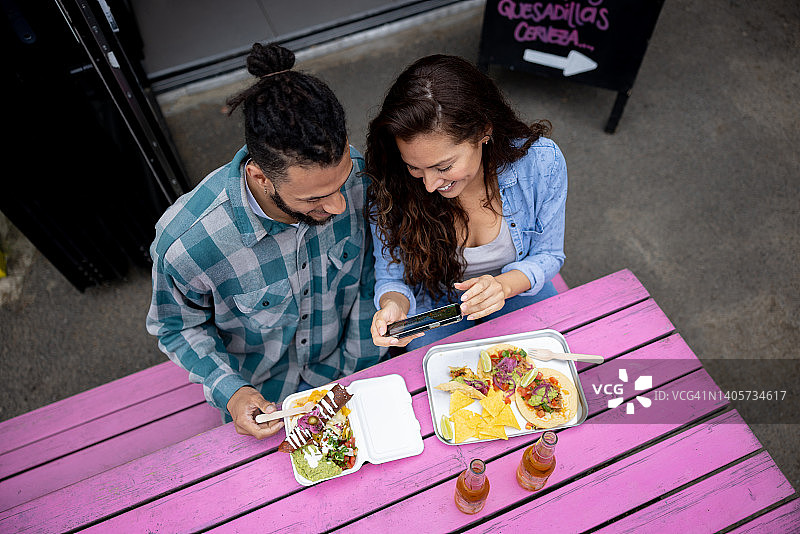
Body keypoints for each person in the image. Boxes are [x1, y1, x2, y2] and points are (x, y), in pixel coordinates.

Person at [146, 43, 384, 439]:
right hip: (266, 406)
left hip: (353, 374)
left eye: (341, 183)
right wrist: (233, 393)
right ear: (259, 176)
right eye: (314, 199)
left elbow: (371, 272)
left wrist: (361, 366)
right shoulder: (188, 243)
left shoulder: (355, 173)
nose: (340, 204)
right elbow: (177, 328)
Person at [365, 54, 567, 351]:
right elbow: (391, 276)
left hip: (517, 287)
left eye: (443, 167)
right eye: (415, 168)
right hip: (436, 300)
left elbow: (549, 255)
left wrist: (503, 286)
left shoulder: (540, 162)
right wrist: (393, 305)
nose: (430, 185)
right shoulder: (390, 183)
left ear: (484, 131)